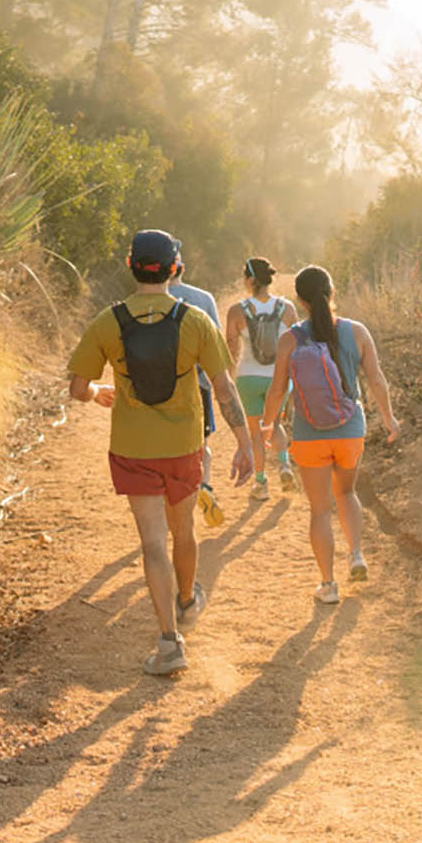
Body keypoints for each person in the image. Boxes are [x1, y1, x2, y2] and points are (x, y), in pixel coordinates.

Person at [68, 230, 254, 675]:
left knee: (152, 543)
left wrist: (97, 393)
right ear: (176, 268)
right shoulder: (195, 321)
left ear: (131, 266)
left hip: (133, 449)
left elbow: (77, 388)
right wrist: (246, 444)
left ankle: (169, 643)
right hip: (183, 447)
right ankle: (188, 600)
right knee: (183, 531)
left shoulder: (107, 322)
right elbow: (224, 390)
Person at [261, 264, 400, 604]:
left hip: (310, 435)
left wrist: (269, 423)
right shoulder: (358, 332)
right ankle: (356, 555)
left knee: (320, 510)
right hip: (351, 429)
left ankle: (328, 584)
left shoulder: (289, 340)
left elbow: (278, 390)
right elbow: (376, 380)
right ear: (332, 293)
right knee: (347, 492)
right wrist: (389, 418)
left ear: (301, 301)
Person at [223, 256, 298, 497]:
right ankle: (285, 466)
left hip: (248, 378)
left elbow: (231, 348)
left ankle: (261, 483)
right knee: (274, 424)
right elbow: (298, 344)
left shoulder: (236, 311)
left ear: (249, 280)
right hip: (278, 377)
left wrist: (230, 378)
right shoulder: (287, 309)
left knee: (255, 432)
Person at [166, 259, 223, 486]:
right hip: (199, 383)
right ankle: (205, 486)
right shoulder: (204, 298)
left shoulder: (148, 301)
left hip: (160, 385)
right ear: (182, 268)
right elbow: (216, 344)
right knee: (202, 444)